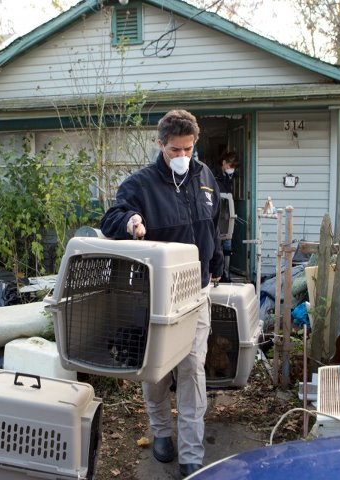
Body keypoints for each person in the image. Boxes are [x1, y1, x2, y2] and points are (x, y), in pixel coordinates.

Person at [101, 109, 223, 478]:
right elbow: (111, 218)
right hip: (152, 297)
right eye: (175, 150)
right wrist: (130, 221)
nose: (183, 156)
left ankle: (191, 451)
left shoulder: (205, 178)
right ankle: (161, 433)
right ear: (160, 145)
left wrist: (218, 262)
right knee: (156, 371)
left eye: (188, 149)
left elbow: (213, 226)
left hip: (195, 292)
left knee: (191, 370)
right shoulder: (141, 183)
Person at [214, 151, 238, 282]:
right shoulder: (214, 176)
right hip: (218, 215)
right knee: (218, 245)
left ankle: (226, 274)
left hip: (228, 215)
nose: (231, 169)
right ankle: (219, 274)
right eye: (230, 165)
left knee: (227, 246)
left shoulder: (230, 178)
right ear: (224, 163)